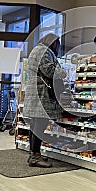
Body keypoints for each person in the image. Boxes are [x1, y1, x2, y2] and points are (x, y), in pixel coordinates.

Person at [23, 33, 67, 167]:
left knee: (35, 125)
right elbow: (49, 70)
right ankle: (35, 157)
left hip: (36, 92)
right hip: (41, 93)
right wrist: (63, 72)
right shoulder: (44, 51)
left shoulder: (37, 49)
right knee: (40, 125)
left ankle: (33, 154)